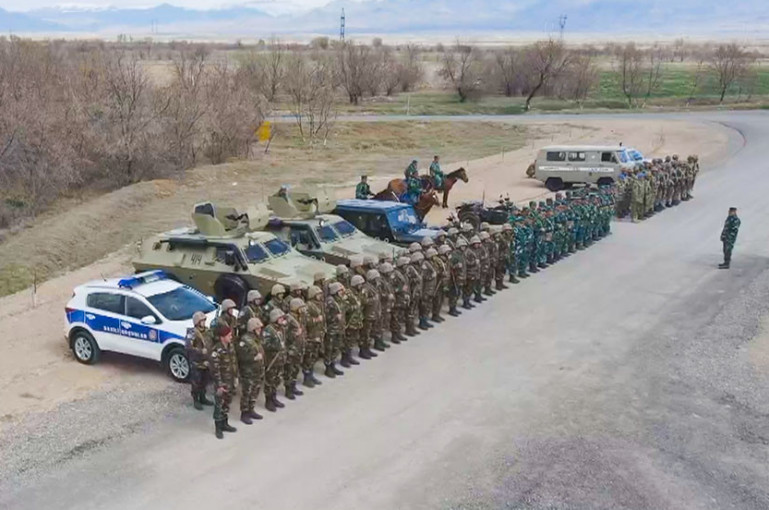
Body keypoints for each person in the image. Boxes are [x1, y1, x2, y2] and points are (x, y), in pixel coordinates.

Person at [210, 323, 238, 439]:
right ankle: (218, 428)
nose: (231, 337)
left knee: (227, 403)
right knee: (219, 405)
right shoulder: (216, 350)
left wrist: (236, 377)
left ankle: (225, 424)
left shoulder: (230, 346)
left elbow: (234, 362)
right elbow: (215, 370)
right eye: (229, 335)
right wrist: (219, 385)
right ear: (222, 337)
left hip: (230, 380)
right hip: (221, 383)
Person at [235, 318, 265, 424]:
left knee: (255, 390)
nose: (260, 330)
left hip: (257, 370)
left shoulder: (257, 339)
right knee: (247, 392)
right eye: (258, 328)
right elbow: (241, 356)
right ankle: (244, 413)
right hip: (248, 371)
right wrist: (253, 358)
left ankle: (251, 409)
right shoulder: (244, 341)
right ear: (253, 329)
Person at [185, 311, 214, 410]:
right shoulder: (192, 333)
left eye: (204, 320)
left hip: (207, 362)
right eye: (202, 321)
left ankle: (203, 397)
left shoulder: (207, 331)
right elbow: (188, 347)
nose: (204, 322)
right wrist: (201, 351)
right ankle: (196, 400)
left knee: (204, 381)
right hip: (197, 362)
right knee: (196, 382)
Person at [263, 309, 287, 412]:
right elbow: (265, 344)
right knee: (270, 381)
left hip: (280, 359)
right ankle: (268, 401)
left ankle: (274, 397)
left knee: (277, 379)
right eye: (280, 318)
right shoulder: (269, 330)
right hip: (272, 360)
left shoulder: (281, 328)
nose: (282, 320)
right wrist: (276, 346)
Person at [284, 298, 307, 400]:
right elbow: (284, 334)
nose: (302, 310)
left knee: (296, 369)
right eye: (300, 308)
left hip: (299, 347)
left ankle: (293, 386)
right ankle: (288, 389)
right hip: (291, 348)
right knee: (289, 369)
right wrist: (294, 334)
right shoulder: (288, 319)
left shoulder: (299, 317)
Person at [303, 285, 326, 386]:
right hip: (310, 336)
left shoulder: (320, 304)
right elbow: (305, 321)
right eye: (318, 294)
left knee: (314, 356)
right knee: (308, 357)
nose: (320, 296)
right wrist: (316, 320)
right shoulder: (308, 305)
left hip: (318, 334)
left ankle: (311, 375)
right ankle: (307, 377)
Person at [323, 282, 346, 377]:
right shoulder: (330, 301)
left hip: (338, 328)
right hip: (331, 329)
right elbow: (326, 316)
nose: (341, 292)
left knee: (336, 347)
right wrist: (335, 317)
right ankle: (328, 367)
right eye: (340, 291)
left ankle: (333, 365)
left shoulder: (339, 300)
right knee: (329, 348)